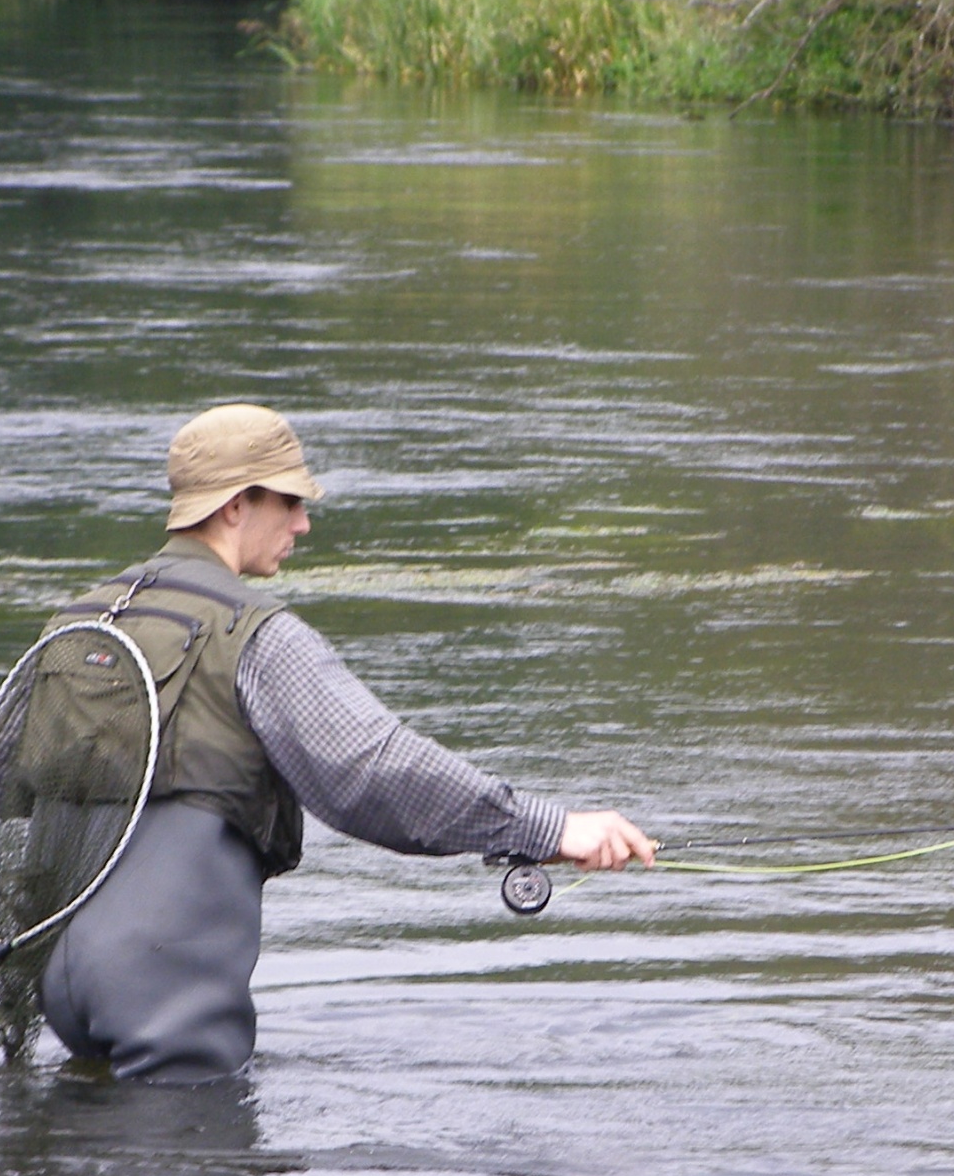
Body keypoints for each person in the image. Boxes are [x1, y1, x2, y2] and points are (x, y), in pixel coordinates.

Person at [36, 403, 654, 1083]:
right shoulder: (259, 634)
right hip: (167, 998)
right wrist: (550, 827)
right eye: (291, 501)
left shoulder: (82, 618)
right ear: (237, 506)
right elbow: (372, 774)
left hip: (55, 980)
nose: (303, 521)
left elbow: (10, 792)